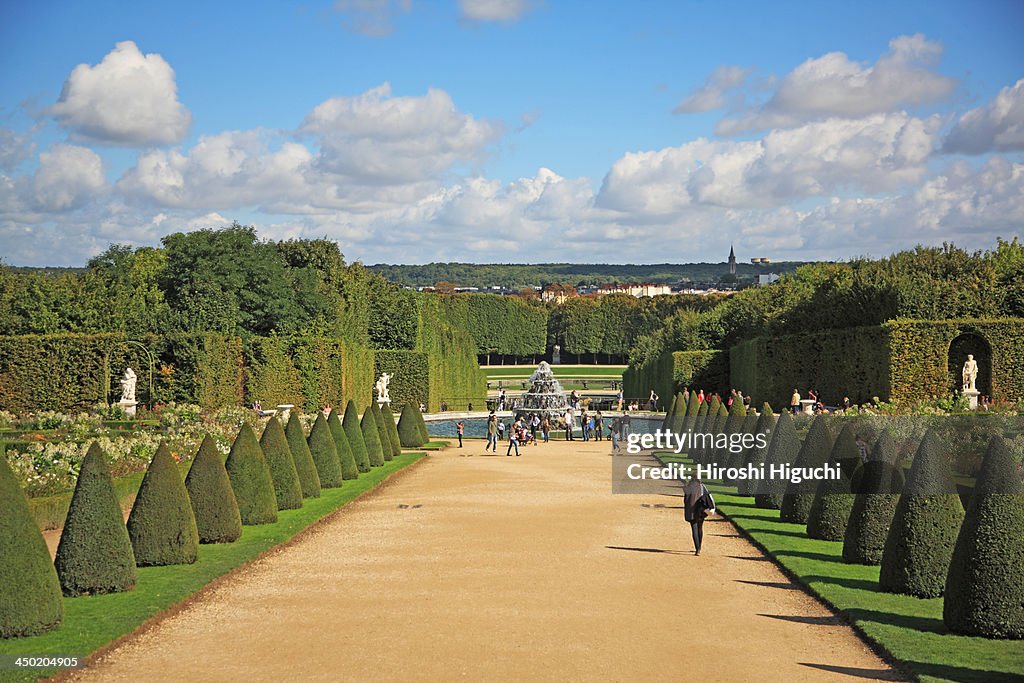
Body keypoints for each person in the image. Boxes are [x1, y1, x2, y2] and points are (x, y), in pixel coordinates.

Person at [683, 475, 715, 556]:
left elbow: (685, 500)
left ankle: (697, 549)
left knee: (694, 529)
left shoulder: (687, 487)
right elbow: (708, 497)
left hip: (691, 511)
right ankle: (699, 547)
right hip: (700, 510)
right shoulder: (702, 486)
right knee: (700, 528)